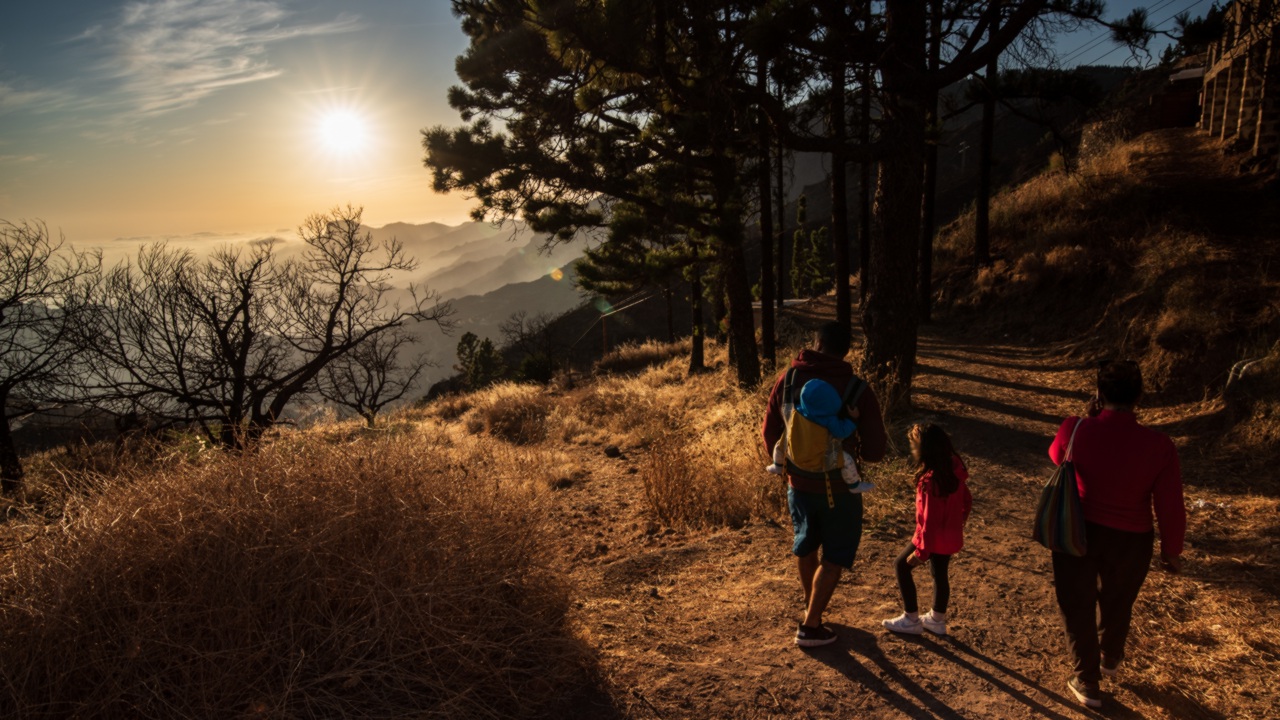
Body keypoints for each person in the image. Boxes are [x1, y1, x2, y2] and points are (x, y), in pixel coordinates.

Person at [1048, 359, 1186, 709]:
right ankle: (1110, 657)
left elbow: (1055, 456)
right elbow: (1169, 502)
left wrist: (1087, 418)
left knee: (1076, 603)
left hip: (1077, 530)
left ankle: (1087, 681)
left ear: (1098, 392)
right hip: (1132, 538)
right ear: (1139, 396)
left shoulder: (1076, 428)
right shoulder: (1160, 445)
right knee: (1118, 598)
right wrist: (1172, 550)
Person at [762, 321, 887, 648]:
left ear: (815, 343)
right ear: (846, 351)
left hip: (798, 485)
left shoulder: (787, 380)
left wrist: (792, 463)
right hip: (841, 492)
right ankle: (811, 626)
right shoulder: (857, 389)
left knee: (806, 545)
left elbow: (769, 432)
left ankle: (811, 607)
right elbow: (875, 452)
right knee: (834, 556)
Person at [883, 423, 971, 637]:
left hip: (930, 538)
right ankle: (937, 620)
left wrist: (921, 552)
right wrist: (958, 521)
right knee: (940, 574)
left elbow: (929, 522)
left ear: (925, 450)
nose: (912, 450)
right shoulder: (954, 470)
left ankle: (911, 618)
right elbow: (967, 500)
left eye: (914, 446)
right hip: (950, 536)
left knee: (901, 566)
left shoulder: (930, 482)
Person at [765, 379, 874, 493]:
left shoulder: (798, 410)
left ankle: (778, 465)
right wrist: (852, 419)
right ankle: (854, 485)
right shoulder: (829, 419)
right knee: (847, 461)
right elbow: (842, 432)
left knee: (779, 445)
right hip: (820, 459)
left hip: (794, 454)